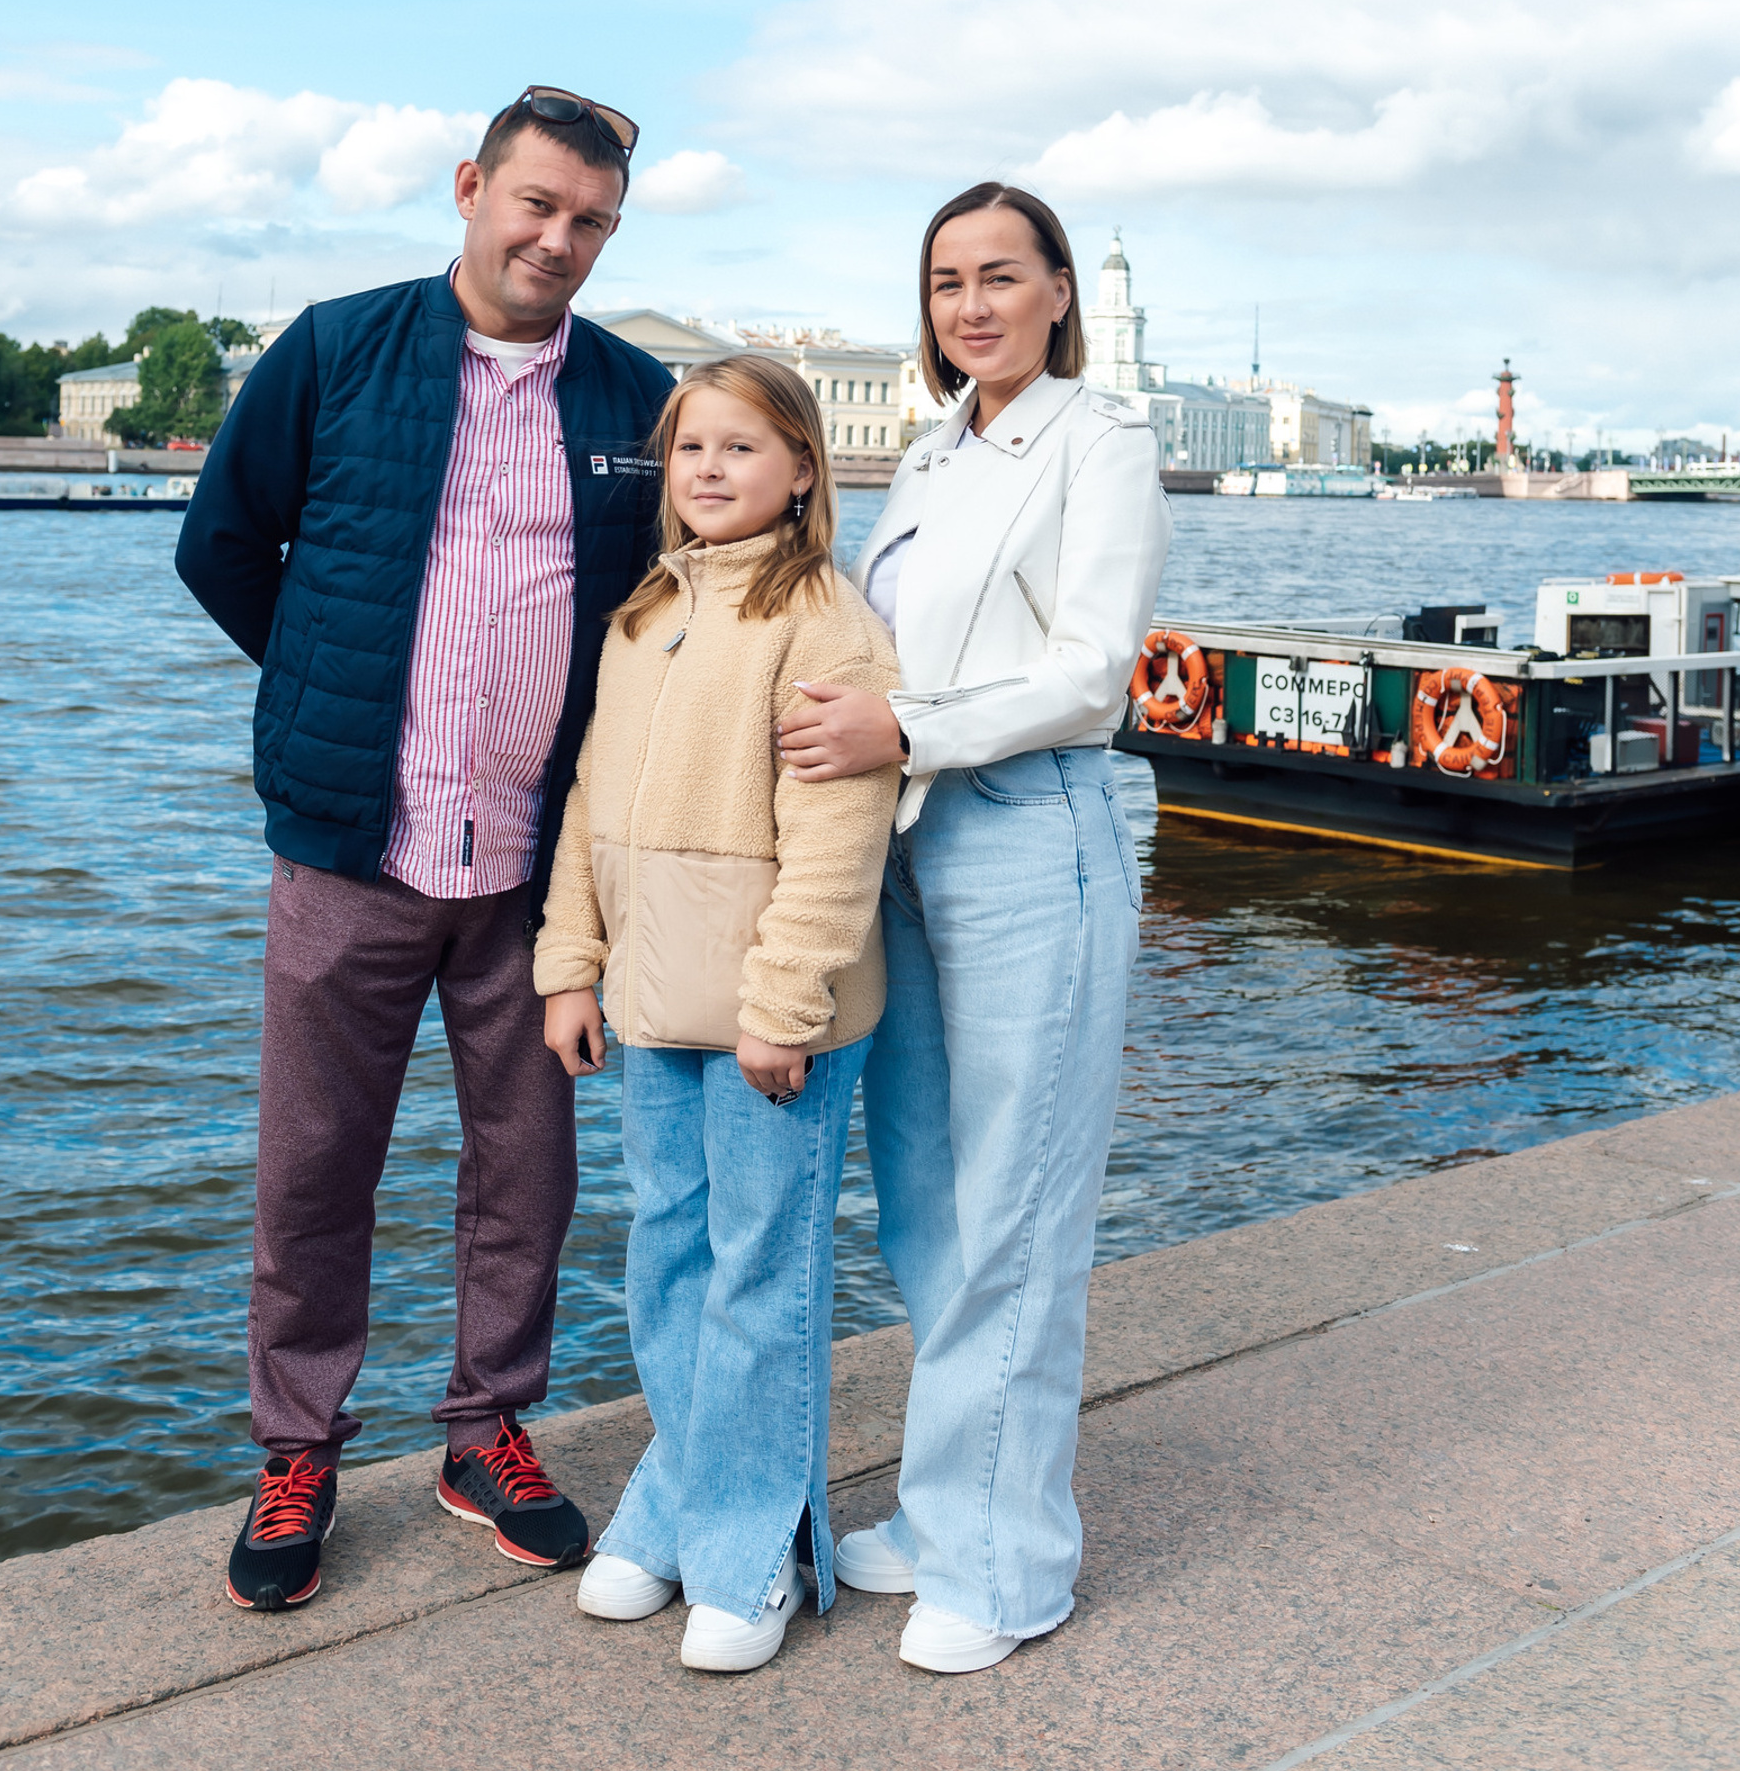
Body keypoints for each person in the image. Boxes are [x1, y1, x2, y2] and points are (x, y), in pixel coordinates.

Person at [175, 87, 673, 1613]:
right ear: (470, 188)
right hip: (352, 845)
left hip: (537, 864)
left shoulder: (635, 398)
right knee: (315, 1161)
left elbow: (665, 605)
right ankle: (299, 1446)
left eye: (590, 221)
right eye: (535, 205)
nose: (557, 241)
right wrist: (336, 694)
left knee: (527, 1162)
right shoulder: (335, 348)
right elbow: (221, 545)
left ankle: (484, 1430)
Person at [777, 182, 1170, 1675]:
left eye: (1003, 277)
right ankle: (952, 1512)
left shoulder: (1099, 437)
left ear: (1062, 290)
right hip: (915, 842)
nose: (972, 306)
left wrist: (904, 726)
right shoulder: (937, 449)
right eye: (947, 281)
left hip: (1027, 835)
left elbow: (1091, 677)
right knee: (932, 1203)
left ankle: (1010, 1566)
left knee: (1016, 1206)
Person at [535, 355, 900, 1672]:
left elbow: (839, 834)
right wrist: (569, 965)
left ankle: (752, 1558)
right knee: (667, 1256)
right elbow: (588, 803)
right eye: (691, 449)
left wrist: (783, 1007)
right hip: (651, 999)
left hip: (770, 1016)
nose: (710, 471)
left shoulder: (825, 624)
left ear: (804, 468)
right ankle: (683, 1502)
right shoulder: (643, 617)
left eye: (743, 449)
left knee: (762, 1273)